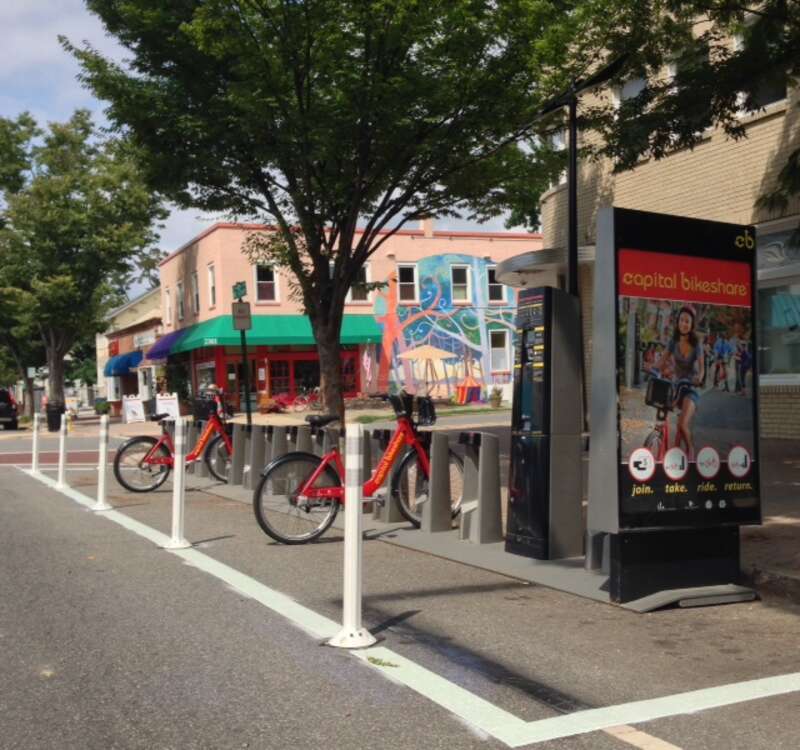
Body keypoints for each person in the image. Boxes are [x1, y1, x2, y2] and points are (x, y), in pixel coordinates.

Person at [656, 306, 705, 461]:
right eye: (682, 320)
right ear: (678, 322)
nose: (684, 323)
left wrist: (699, 378)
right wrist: (652, 367)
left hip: (690, 388)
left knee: (682, 424)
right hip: (677, 387)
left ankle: (690, 450)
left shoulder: (697, 344)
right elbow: (662, 362)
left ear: (691, 325)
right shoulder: (673, 342)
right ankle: (660, 445)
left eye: (687, 321)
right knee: (661, 412)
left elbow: (702, 368)